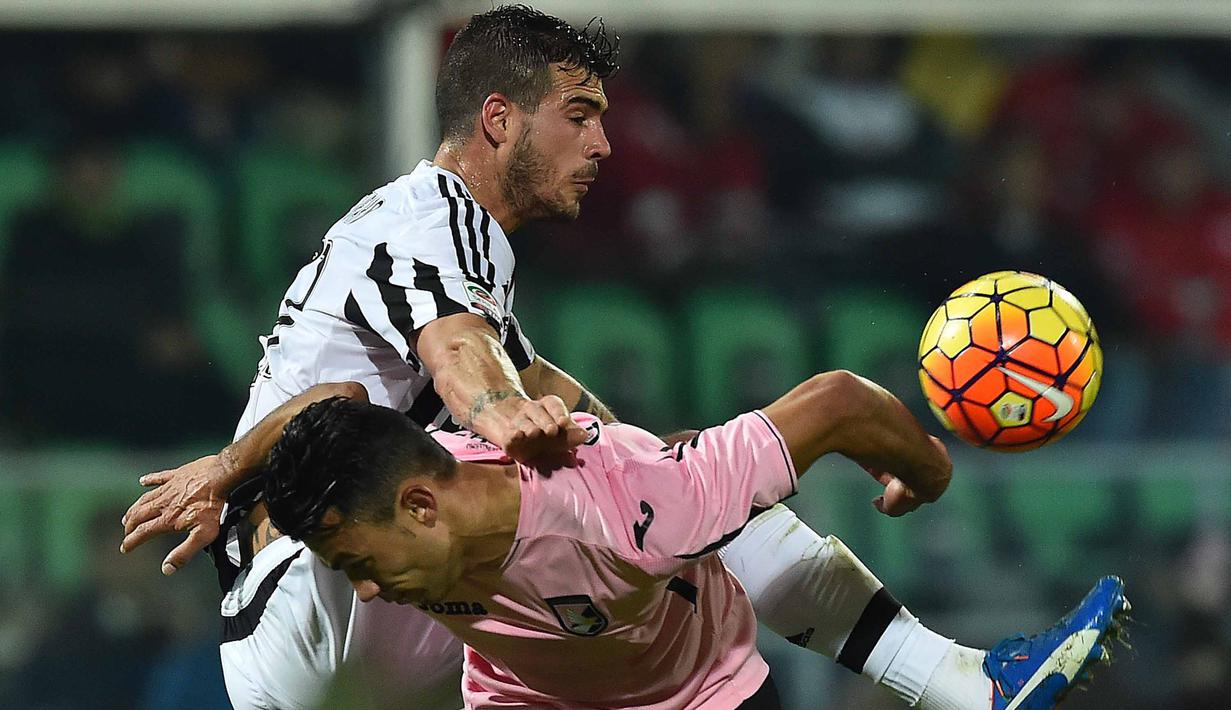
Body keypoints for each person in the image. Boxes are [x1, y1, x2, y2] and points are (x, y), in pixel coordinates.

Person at [120, 5, 1125, 709]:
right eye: (579, 115)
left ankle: (963, 684)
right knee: (694, 524)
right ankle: (958, 685)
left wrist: (644, 455)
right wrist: (497, 412)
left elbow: (527, 384)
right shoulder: (431, 223)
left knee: (683, 501)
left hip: (335, 629)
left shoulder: (466, 256)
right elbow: (457, 352)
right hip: (324, 590)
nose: (602, 144)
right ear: (498, 119)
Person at [259, 375, 1127, 709]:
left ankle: (961, 685)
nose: (365, 591)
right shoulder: (403, 470)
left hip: (690, 696)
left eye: (361, 566)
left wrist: (926, 473)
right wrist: (231, 468)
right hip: (528, 697)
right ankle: (963, 688)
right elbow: (336, 397)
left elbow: (837, 405)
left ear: (420, 507)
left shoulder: (625, 515)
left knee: (712, 517)